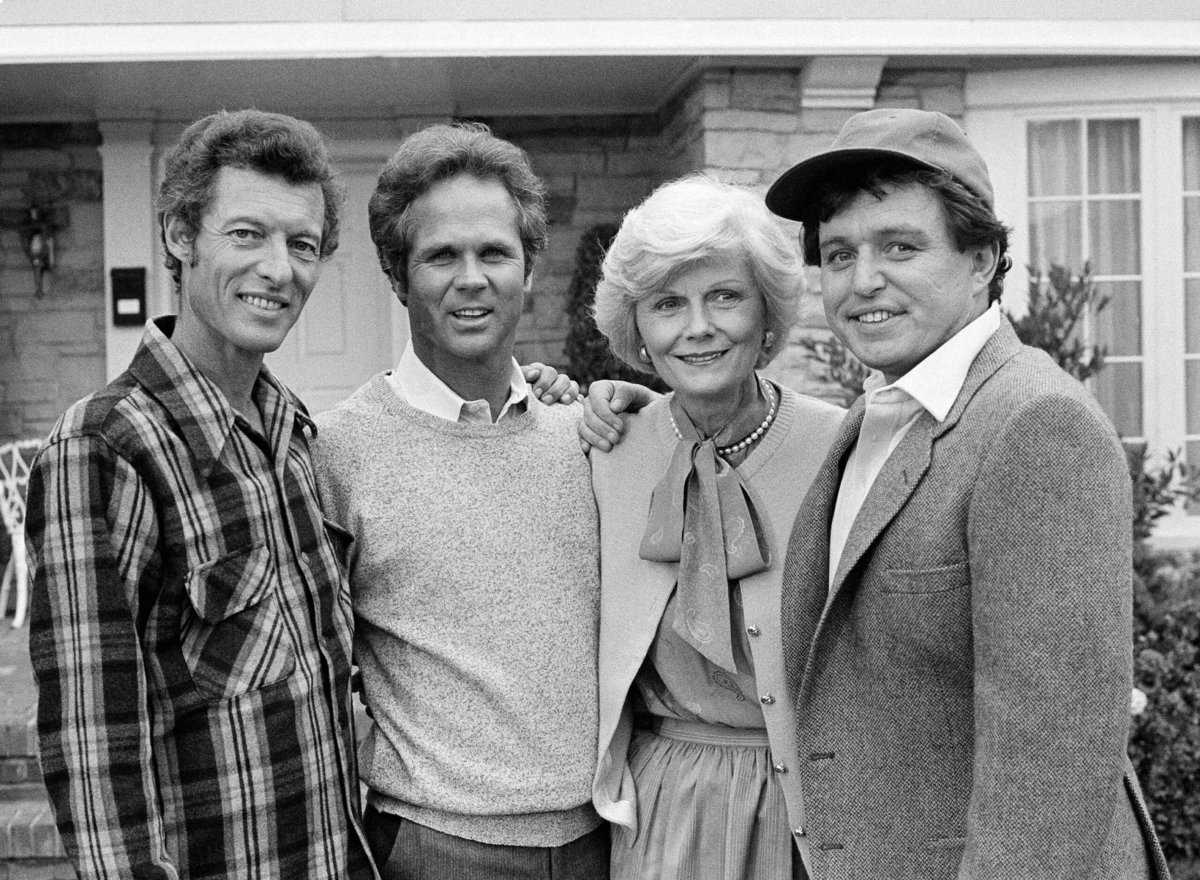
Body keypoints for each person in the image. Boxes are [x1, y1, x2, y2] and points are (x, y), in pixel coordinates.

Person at [762, 108, 1171, 879]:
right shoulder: (876, 418)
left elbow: (1052, 761)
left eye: (901, 247)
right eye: (840, 253)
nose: (862, 280)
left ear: (981, 258)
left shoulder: (1035, 423)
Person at [24, 109, 376, 879]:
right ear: (181, 237)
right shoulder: (107, 446)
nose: (279, 269)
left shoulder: (291, 432)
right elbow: (96, 752)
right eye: (247, 234)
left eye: (303, 244)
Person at [311, 122, 607, 880]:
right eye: (442, 255)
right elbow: (313, 664)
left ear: (529, 268)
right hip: (435, 847)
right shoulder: (338, 451)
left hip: (605, 841)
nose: (471, 277)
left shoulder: (587, 434)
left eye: (494, 253)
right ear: (398, 274)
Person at [588, 175, 843, 880]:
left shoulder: (842, 449)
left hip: (812, 807)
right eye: (668, 304)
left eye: (724, 296)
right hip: (660, 801)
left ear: (768, 313)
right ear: (637, 331)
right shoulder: (604, 449)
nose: (697, 328)